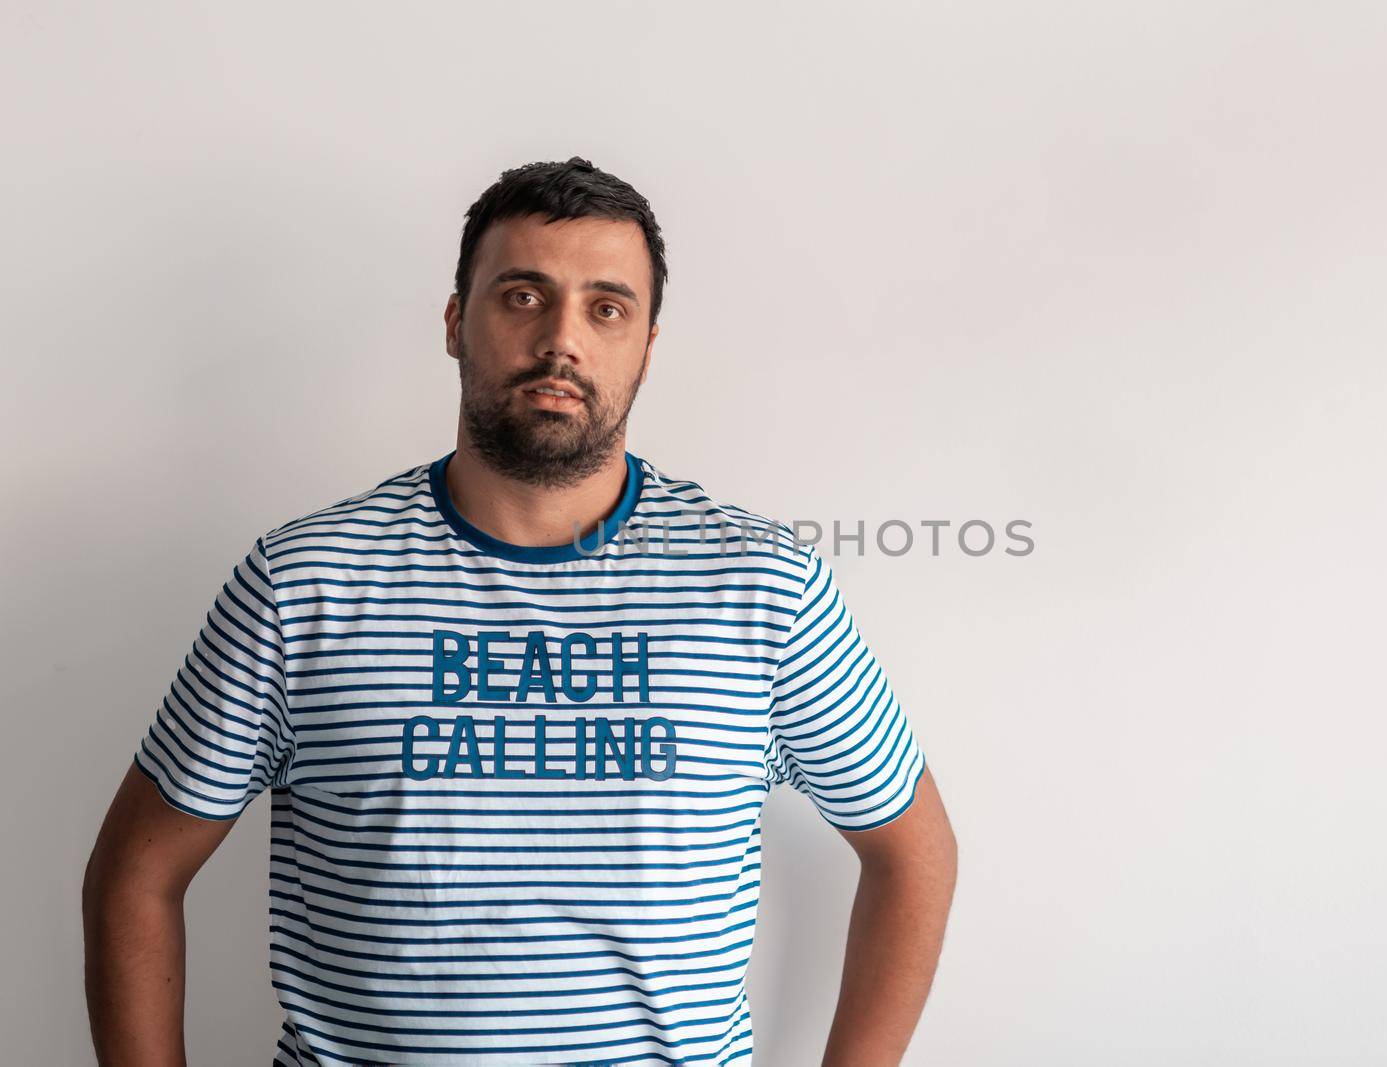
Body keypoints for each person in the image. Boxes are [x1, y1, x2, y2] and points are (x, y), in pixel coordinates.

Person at [81, 157, 958, 1066]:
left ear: (647, 346)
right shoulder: (304, 584)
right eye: (523, 297)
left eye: (605, 307)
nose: (562, 340)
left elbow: (914, 855)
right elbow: (136, 873)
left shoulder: (764, 588)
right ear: (457, 322)